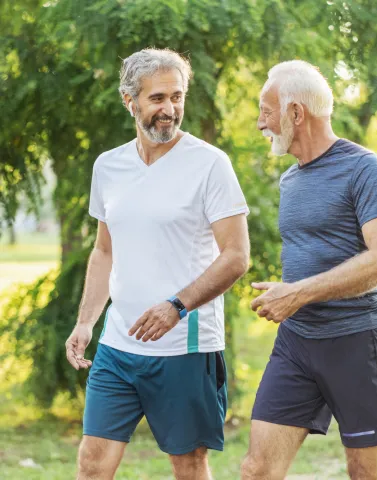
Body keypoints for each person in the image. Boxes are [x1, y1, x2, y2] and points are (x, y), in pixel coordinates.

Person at [65, 48, 250, 480]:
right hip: (118, 346)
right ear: (129, 101)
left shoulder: (210, 164)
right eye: (157, 99)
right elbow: (104, 252)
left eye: (177, 97)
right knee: (92, 462)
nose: (170, 110)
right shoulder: (108, 166)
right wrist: (86, 322)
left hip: (185, 348)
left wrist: (177, 305)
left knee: (188, 464)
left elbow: (237, 256)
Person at [242, 60, 377, 480]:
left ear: (296, 113)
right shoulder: (290, 181)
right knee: (257, 470)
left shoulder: (364, 168)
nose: (261, 123)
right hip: (297, 342)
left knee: (365, 474)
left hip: (357, 340)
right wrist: (293, 297)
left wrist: (298, 293)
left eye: (267, 110)